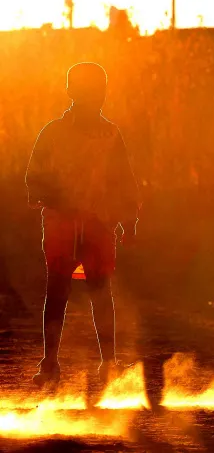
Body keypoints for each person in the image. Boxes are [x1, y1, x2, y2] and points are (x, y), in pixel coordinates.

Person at [25, 62, 140, 387]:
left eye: (101, 89)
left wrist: (129, 219)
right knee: (58, 290)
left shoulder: (111, 133)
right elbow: (34, 176)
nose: (98, 96)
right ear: (71, 92)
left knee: (100, 290)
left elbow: (124, 180)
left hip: (98, 223)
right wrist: (51, 197)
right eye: (90, 89)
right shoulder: (53, 132)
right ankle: (50, 363)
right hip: (63, 223)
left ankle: (108, 363)